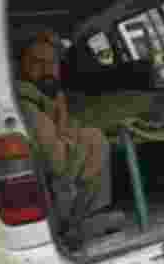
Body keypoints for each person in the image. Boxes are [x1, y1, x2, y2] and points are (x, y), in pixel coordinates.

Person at [14, 28, 112, 221]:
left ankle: (90, 215)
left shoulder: (49, 97)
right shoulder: (26, 106)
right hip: (58, 208)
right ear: (20, 67)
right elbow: (58, 164)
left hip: (70, 194)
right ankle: (79, 220)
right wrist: (62, 119)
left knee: (92, 136)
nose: (47, 70)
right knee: (93, 138)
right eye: (37, 63)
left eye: (52, 63)